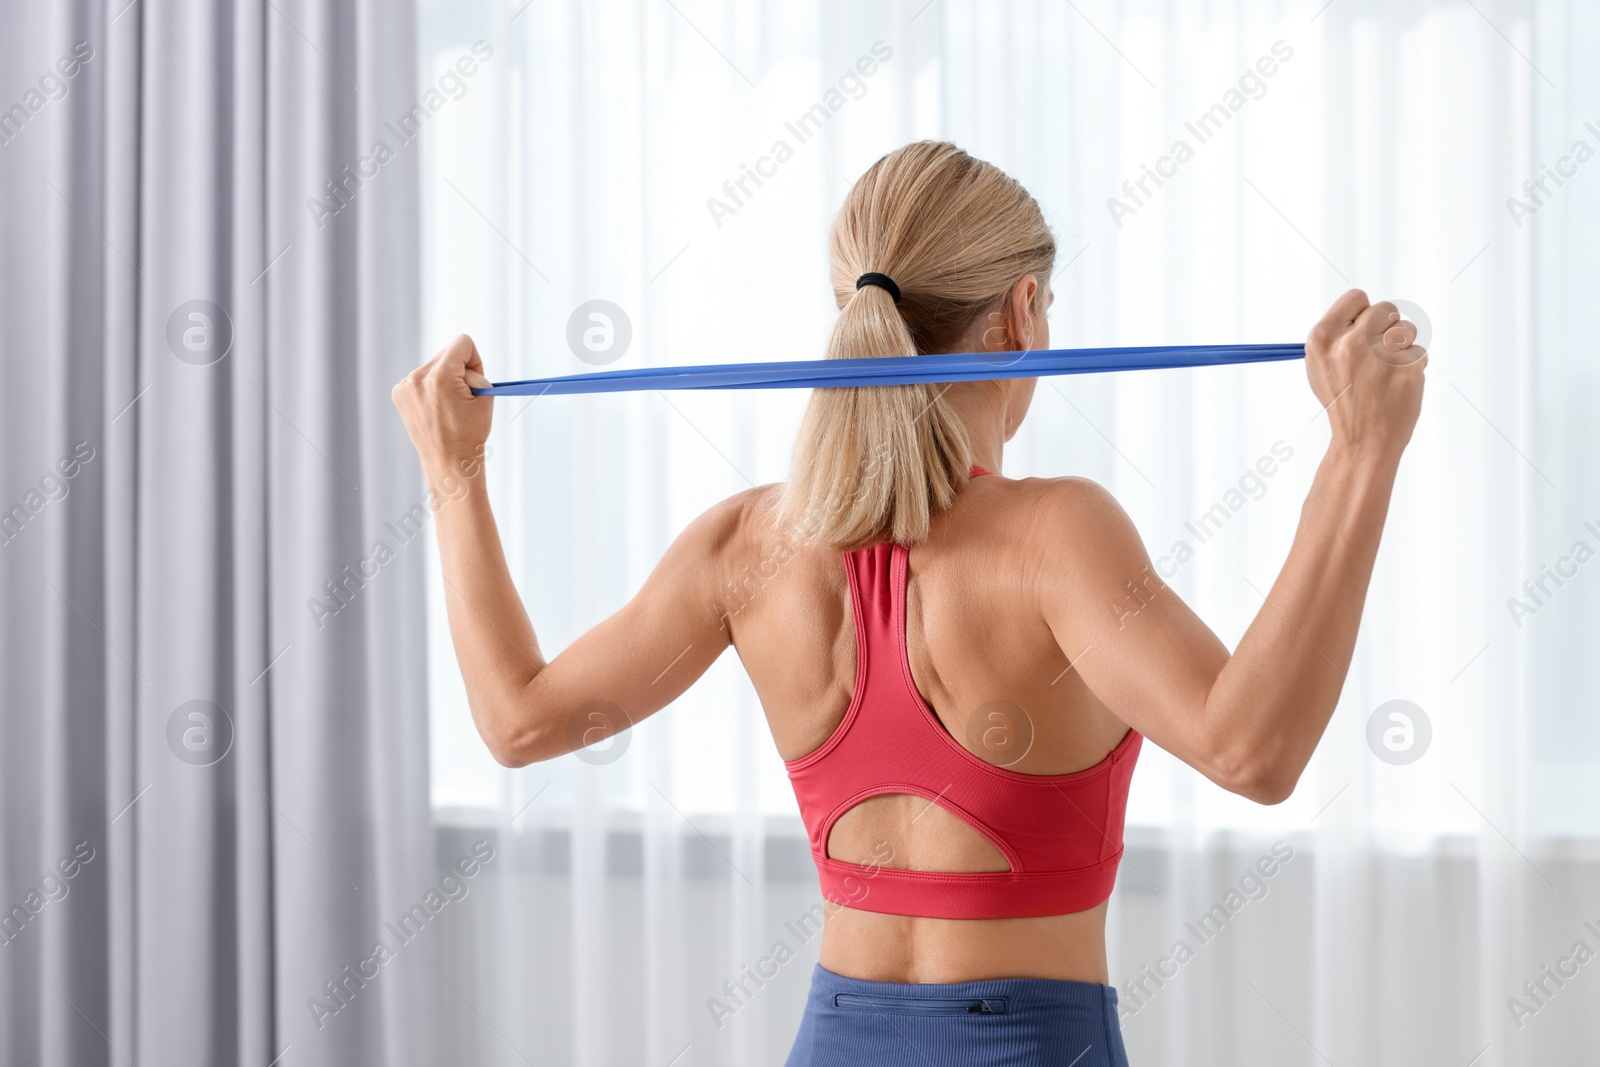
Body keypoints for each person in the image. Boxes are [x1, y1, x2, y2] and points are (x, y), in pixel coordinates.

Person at [392, 140, 1426, 1066]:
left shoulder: (743, 545)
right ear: (1022, 312)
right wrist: (1360, 452)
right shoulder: (1056, 534)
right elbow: (1252, 750)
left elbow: (517, 717)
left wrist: (452, 470)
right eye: (1049, 310)